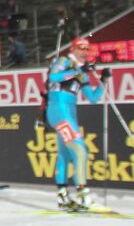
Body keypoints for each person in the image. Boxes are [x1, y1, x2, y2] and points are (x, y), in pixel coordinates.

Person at [45, 37, 109, 210]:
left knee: (65, 155)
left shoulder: (81, 72)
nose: (84, 51)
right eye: (81, 47)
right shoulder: (64, 61)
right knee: (80, 151)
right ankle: (83, 195)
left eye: (87, 48)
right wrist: (77, 71)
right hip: (59, 109)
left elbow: (93, 98)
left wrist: (103, 81)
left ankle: (63, 197)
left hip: (69, 112)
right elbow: (53, 77)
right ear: (72, 49)